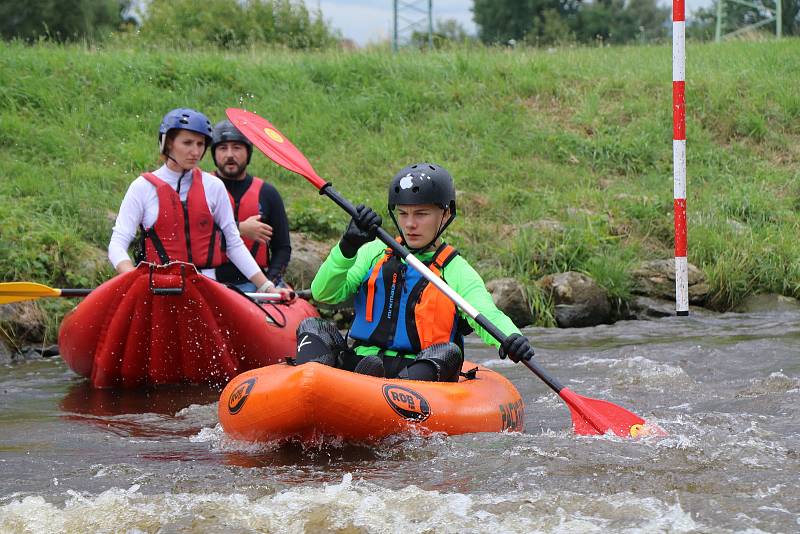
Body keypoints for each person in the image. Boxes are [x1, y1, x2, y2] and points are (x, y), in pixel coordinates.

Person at [294, 162, 535, 381]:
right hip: (362, 362)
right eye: (403, 213)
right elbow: (323, 294)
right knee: (313, 327)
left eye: (421, 214)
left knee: (449, 352)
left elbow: (485, 313)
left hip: (418, 370)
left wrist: (511, 337)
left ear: (445, 214)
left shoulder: (455, 270)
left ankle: (385, 391)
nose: (410, 224)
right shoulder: (375, 252)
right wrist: (347, 247)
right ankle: (318, 385)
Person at [108, 107, 292, 300]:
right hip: (157, 288)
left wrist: (266, 287)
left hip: (206, 287)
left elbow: (233, 244)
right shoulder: (142, 188)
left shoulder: (213, 186)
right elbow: (117, 244)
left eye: (200, 144)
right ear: (168, 143)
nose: (195, 151)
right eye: (187, 143)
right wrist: (132, 278)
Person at [209, 119, 292, 293]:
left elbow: (282, 248)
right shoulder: (201, 189)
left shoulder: (268, 193)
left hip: (255, 285)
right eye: (223, 148)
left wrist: (270, 282)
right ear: (214, 154)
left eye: (237, 148)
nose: (230, 155)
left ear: (248, 153)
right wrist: (239, 228)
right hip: (210, 281)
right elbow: (193, 235)